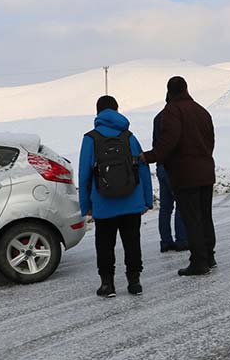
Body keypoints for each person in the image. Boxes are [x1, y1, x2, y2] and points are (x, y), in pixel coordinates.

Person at [79, 95, 153, 297]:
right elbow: (143, 169)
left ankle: (107, 284)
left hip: (103, 204)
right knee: (132, 241)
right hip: (131, 200)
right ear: (117, 110)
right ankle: (134, 282)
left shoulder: (90, 139)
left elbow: (84, 175)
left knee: (104, 244)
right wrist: (147, 199)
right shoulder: (129, 137)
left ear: (97, 112)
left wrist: (86, 206)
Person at [142, 76, 216, 276]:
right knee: (205, 216)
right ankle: (209, 256)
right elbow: (210, 140)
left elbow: (168, 142)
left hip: (186, 174)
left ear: (169, 91)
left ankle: (199, 262)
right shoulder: (202, 111)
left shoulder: (172, 111)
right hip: (206, 171)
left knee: (191, 218)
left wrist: (148, 157)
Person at [153, 110, 189, 253]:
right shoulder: (176, 115)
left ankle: (166, 241)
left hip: (161, 165)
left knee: (165, 207)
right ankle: (182, 239)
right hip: (174, 166)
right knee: (181, 203)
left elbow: (156, 143)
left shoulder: (158, 118)